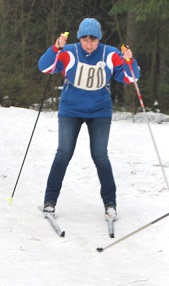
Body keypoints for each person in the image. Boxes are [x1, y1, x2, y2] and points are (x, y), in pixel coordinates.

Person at [38, 18, 140, 219]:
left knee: (100, 155)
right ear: (79, 38)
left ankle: (110, 204)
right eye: (85, 39)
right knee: (63, 153)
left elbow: (130, 78)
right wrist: (56, 48)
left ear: (99, 39)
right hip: (71, 110)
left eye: (93, 39)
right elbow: (45, 68)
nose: (89, 43)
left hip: (99, 111)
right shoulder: (69, 51)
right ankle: (50, 200)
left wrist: (130, 60)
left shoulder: (109, 53)